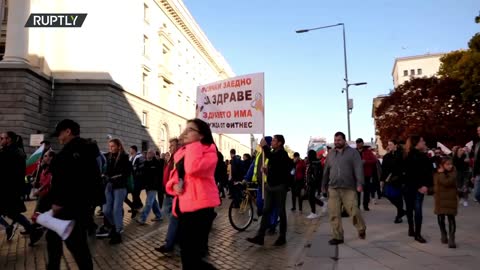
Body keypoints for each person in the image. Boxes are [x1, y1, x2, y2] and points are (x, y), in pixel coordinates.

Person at [165, 119, 220, 270]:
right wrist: (174, 185)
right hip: (184, 207)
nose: (186, 132)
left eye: (191, 129)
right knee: (186, 252)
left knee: (193, 254)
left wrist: (193, 145)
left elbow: (193, 168)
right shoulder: (181, 153)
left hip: (201, 208)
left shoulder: (210, 151)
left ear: (201, 135)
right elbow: (174, 176)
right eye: (186, 129)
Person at [47, 119, 99, 269]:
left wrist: (58, 203)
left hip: (69, 208)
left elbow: (69, 181)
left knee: (77, 245)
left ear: (68, 131)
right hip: (78, 206)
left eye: (60, 133)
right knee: (56, 239)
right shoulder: (84, 150)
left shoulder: (73, 152)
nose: (58, 137)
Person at [322, 132, 366, 245]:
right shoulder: (331, 154)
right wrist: (323, 186)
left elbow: (358, 168)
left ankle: (361, 229)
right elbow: (326, 171)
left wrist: (360, 183)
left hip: (349, 188)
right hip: (333, 188)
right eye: (335, 140)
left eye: (339, 140)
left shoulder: (353, 153)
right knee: (334, 214)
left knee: (354, 211)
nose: (336, 142)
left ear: (344, 140)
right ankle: (338, 237)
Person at [247, 135, 291, 246]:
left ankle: (282, 237)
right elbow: (274, 169)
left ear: (280, 143)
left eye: (274, 140)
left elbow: (273, 158)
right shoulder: (274, 153)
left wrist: (265, 146)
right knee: (266, 210)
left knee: (281, 211)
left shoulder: (282, 154)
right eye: (271, 141)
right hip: (269, 186)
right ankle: (260, 236)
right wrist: (266, 171)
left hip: (279, 187)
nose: (272, 142)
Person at [0, 131, 38, 243]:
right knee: (14, 214)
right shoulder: (16, 152)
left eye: (2, 138)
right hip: (11, 189)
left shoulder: (9, 153)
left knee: (13, 213)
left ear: (9, 139)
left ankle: (13, 228)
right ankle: (31, 230)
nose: (1, 140)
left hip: (8, 189)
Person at [97, 138, 132, 245]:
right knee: (106, 210)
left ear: (118, 146)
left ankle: (118, 232)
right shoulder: (109, 156)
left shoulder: (125, 157)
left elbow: (126, 173)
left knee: (116, 209)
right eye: (110, 146)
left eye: (113, 146)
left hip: (120, 187)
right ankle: (113, 226)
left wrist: (112, 177)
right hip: (109, 186)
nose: (111, 148)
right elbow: (106, 169)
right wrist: (104, 175)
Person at [403, 135, 432, 243]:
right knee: (413, 210)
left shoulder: (422, 156)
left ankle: (415, 231)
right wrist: (422, 186)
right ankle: (414, 231)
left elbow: (428, 172)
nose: (424, 142)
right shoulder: (411, 156)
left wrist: (425, 185)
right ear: (416, 143)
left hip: (415, 188)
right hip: (413, 187)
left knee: (415, 210)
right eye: (422, 141)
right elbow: (410, 173)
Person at [155, 138, 181, 254]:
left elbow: (178, 176)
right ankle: (172, 242)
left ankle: (170, 244)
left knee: (173, 218)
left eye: (172, 146)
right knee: (172, 218)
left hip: (174, 193)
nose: (169, 147)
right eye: (170, 145)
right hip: (169, 192)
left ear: (177, 146)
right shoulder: (172, 157)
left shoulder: (178, 158)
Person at [434, 156, 458, 248]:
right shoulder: (437, 173)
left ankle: (452, 238)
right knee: (440, 217)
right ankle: (443, 234)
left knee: (451, 218)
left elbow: (447, 182)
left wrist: (442, 173)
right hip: (440, 198)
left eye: (451, 164)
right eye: (447, 164)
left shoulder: (453, 172)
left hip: (450, 198)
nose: (450, 166)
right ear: (442, 165)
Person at [381, 140, 406, 224]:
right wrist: (382, 180)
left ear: (396, 145)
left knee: (398, 197)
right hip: (389, 180)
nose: (389, 146)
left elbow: (402, 167)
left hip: (398, 179)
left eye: (391, 144)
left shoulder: (401, 154)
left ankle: (399, 216)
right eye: (388, 144)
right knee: (387, 194)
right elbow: (383, 170)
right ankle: (401, 211)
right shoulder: (386, 156)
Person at [137, 149, 163, 225]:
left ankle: (142, 219)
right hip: (147, 186)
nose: (148, 154)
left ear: (154, 154)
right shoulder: (145, 163)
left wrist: (158, 185)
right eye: (148, 152)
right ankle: (159, 215)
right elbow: (143, 175)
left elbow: (160, 176)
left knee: (148, 203)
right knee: (153, 201)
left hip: (154, 186)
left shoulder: (157, 163)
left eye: (151, 153)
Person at [356, 138, 378, 211]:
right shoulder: (354, 152)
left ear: (362, 143)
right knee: (357, 191)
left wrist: (366, 162)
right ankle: (357, 206)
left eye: (360, 143)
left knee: (366, 191)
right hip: (357, 174)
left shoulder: (368, 151)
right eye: (357, 143)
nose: (358, 144)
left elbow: (374, 160)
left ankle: (365, 205)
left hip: (366, 174)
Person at [125, 145, 145, 218]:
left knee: (136, 193)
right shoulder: (131, 157)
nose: (130, 151)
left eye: (130, 149)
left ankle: (138, 206)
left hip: (138, 179)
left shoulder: (140, 157)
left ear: (134, 150)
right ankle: (136, 207)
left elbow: (142, 166)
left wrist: (135, 168)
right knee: (134, 194)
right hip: (132, 179)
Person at [305, 150, 324, 219]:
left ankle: (314, 212)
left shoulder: (314, 163)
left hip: (312, 183)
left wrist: (311, 181)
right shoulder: (312, 162)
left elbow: (315, 175)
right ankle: (321, 205)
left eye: (308, 154)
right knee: (310, 197)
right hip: (310, 182)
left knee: (310, 197)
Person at [472, 126, 480, 202]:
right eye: (477, 130)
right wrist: (473, 175)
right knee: (476, 194)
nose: (478, 132)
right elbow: (475, 161)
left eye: (479, 130)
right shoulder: (477, 144)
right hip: (478, 173)